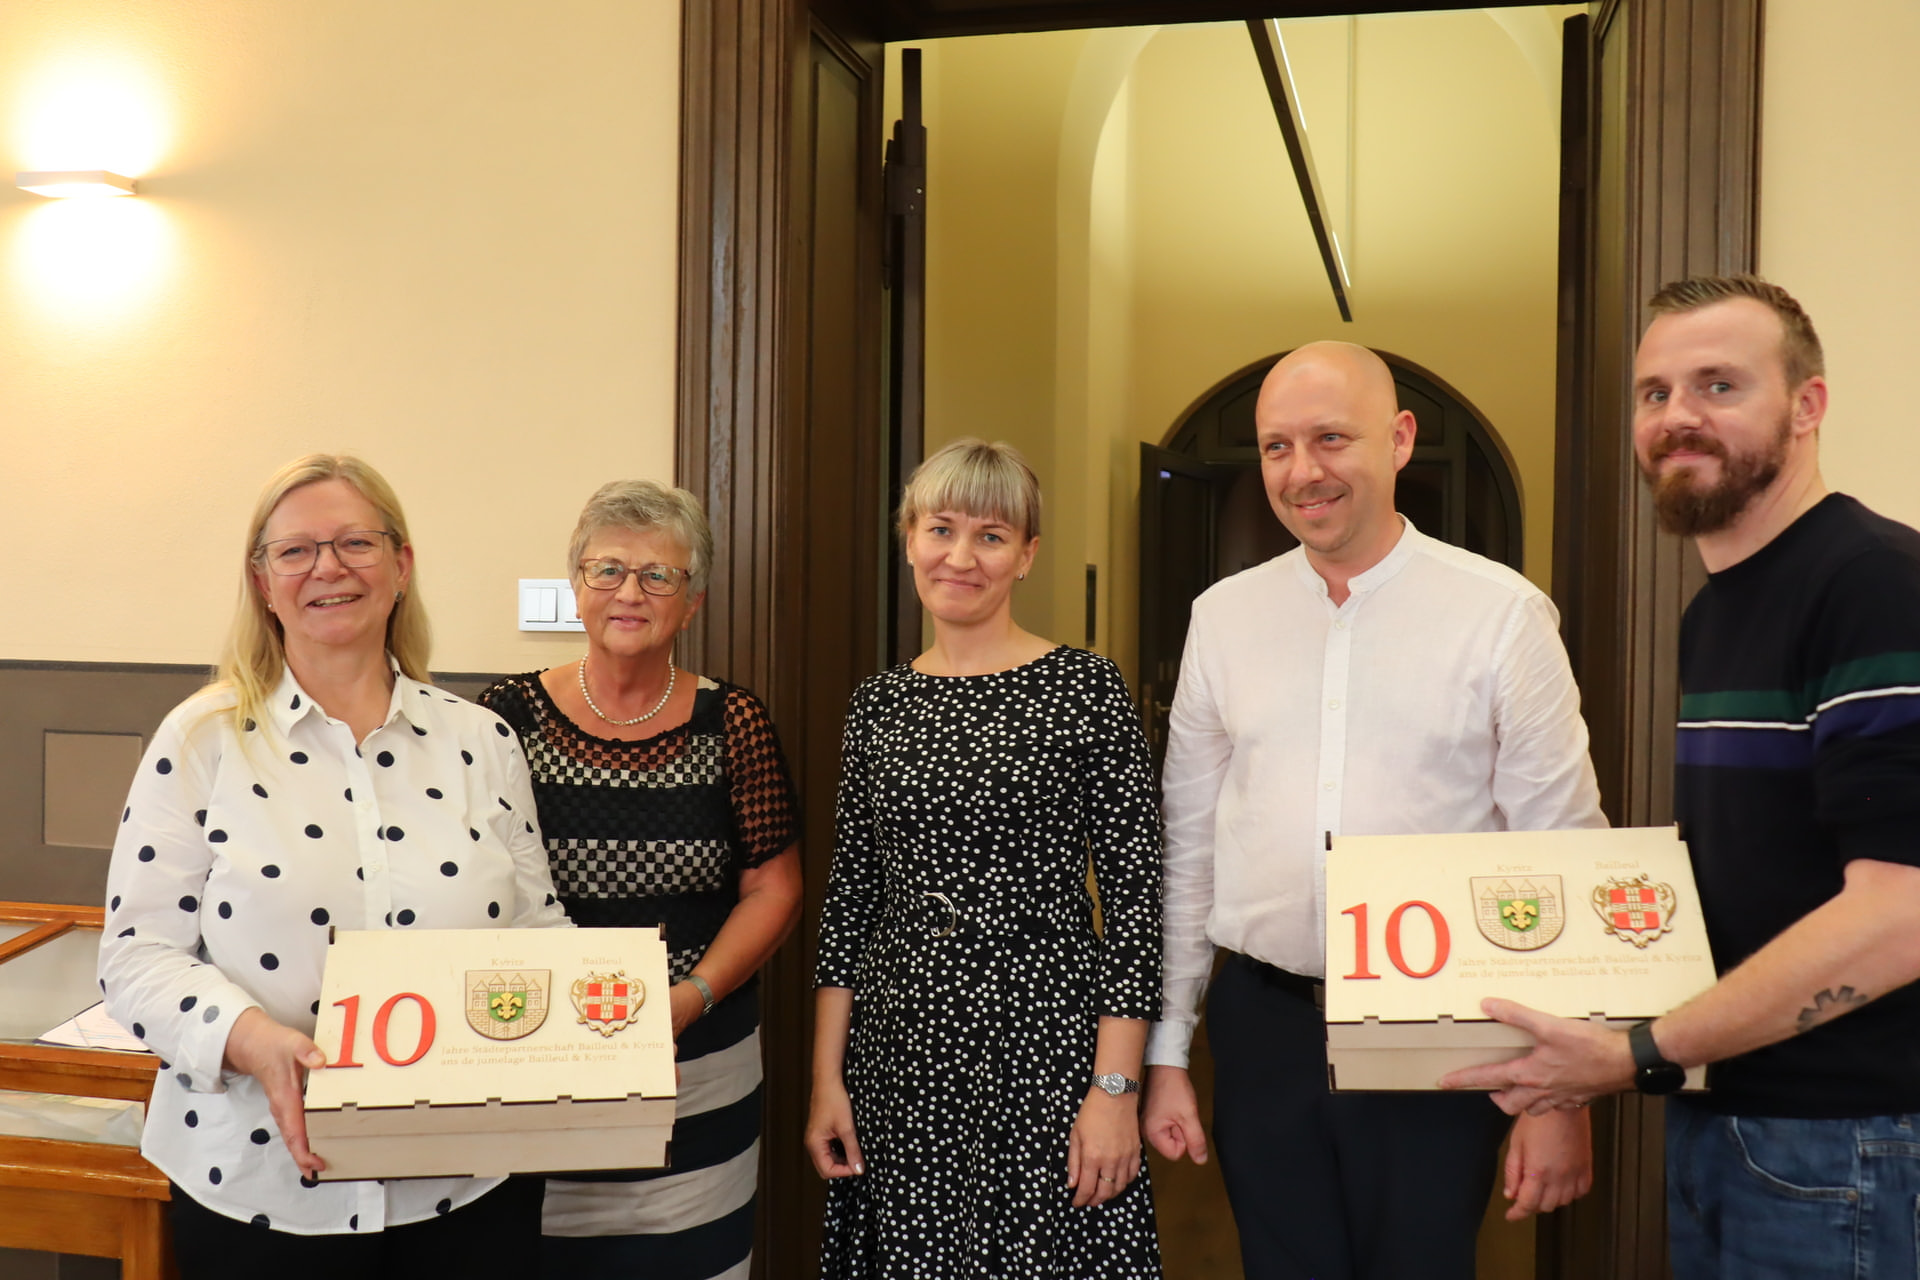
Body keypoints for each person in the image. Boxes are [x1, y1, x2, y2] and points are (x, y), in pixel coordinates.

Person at [1441, 276, 1920, 1278]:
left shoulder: (1874, 583)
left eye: (1717, 384)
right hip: (1731, 1112)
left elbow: (1901, 912)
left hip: (1847, 1136)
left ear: (1808, 404)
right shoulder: (1718, 608)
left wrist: (1634, 1051)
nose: (1677, 416)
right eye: (1655, 392)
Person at [1140, 343, 1602, 1280]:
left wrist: (1561, 1096)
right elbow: (1187, 848)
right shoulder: (1223, 620)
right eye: (1276, 447)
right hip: (1263, 1021)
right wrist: (1168, 1049)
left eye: (1330, 438)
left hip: (1436, 1021)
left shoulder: (1502, 617)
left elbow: (1562, 854)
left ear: (1398, 440)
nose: (1302, 471)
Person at [98, 454, 570, 1278]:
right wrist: (253, 1040)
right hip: (259, 1189)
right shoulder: (202, 741)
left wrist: (608, 1023)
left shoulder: (481, 742)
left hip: (465, 1186)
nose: (328, 568)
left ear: (401, 566)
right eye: (295, 551)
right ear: (263, 583)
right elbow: (136, 957)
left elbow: (536, 932)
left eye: (355, 542)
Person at [805, 438, 1164, 1277]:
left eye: (992, 536)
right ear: (909, 539)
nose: (960, 556)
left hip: (1046, 1041)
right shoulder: (879, 705)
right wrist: (830, 1079)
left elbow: (1136, 899)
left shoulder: (1084, 688)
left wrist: (1116, 1090)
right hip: (902, 1050)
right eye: (942, 528)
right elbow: (852, 899)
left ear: (1028, 554)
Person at [479, 479, 801, 1280]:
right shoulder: (502, 720)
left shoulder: (734, 723)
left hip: (694, 1073)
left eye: (659, 575)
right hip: (538, 1073)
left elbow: (775, 887)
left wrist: (690, 999)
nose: (631, 591)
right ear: (577, 589)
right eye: (608, 570)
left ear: (691, 604)